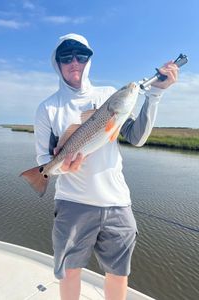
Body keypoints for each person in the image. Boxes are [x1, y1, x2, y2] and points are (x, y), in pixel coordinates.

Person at [34, 33, 178, 300]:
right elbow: (44, 160)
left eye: (81, 55)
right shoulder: (47, 108)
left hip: (116, 202)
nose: (74, 62)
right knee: (70, 270)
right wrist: (62, 168)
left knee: (118, 272)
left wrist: (155, 94)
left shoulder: (108, 95)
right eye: (66, 57)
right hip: (72, 203)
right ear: (57, 62)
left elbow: (137, 138)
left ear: (89, 59)